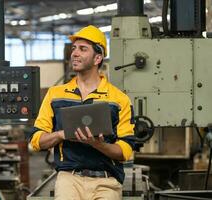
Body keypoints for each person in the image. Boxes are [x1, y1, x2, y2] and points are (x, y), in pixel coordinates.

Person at [28, 25, 136, 200]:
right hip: (69, 179)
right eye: (74, 48)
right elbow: (36, 140)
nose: (74, 53)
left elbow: (125, 150)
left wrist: (98, 144)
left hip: (106, 181)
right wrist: (62, 134)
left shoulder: (118, 99)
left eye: (82, 49)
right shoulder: (55, 95)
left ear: (97, 58)